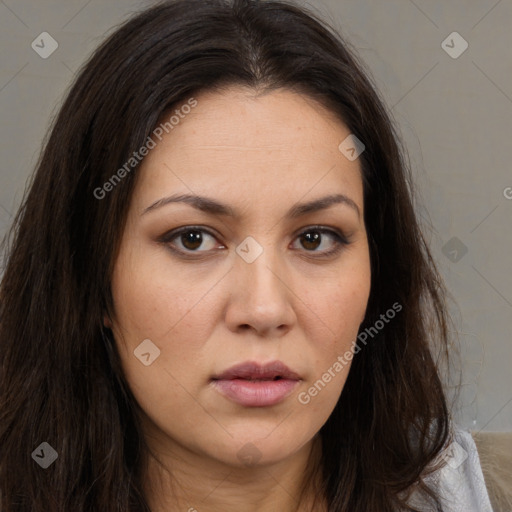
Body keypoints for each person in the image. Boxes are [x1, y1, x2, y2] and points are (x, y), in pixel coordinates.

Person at [0, 0, 494, 510]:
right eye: (193, 238)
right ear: (92, 275)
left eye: (315, 238)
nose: (264, 310)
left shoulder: (462, 493)